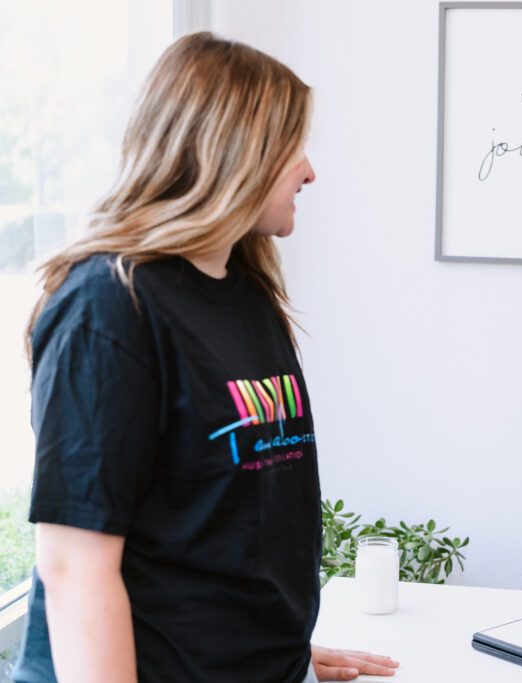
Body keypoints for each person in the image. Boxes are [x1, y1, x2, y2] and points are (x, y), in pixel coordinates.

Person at [15, 33, 399, 682]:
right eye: (292, 149)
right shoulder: (110, 305)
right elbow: (76, 566)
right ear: (234, 152)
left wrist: (280, 650)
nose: (309, 172)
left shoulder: (245, 291)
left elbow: (221, 520)